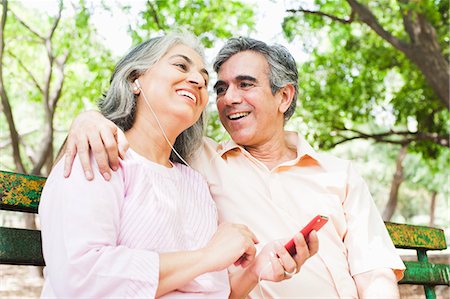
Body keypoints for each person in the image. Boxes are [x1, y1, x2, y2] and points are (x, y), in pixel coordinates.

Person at [63, 36, 405, 298]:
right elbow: (147, 133)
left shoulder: (339, 174)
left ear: (284, 97)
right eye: (222, 88)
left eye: (245, 84)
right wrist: (90, 118)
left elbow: (374, 272)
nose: (227, 98)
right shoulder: (199, 161)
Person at [39, 33, 318, 299]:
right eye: (180, 65)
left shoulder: (194, 181)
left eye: (205, 79)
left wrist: (255, 270)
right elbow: (81, 279)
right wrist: (207, 256)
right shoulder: (98, 152)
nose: (197, 80)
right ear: (136, 78)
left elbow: (207, 288)